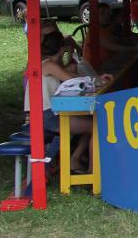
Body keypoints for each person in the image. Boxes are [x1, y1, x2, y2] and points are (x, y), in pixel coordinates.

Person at [32, 30, 112, 173]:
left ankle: (74, 160)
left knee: (91, 119)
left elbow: (72, 75)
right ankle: (92, 174)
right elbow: (73, 80)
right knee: (97, 125)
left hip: (51, 114)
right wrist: (99, 81)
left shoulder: (47, 64)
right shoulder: (49, 65)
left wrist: (96, 78)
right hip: (49, 117)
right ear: (62, 49)